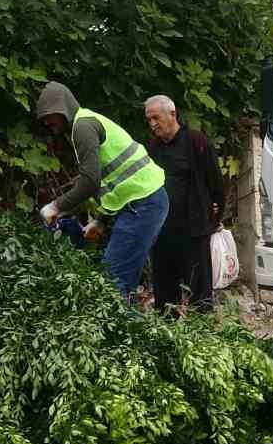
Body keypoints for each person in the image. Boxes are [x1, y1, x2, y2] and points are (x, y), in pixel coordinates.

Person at [35, 81, 168, 301]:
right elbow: (112, 185)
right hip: (140, 203)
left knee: (113, 283)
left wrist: (54, 207)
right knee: (118, 282)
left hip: (144, 204)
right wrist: (100, 221)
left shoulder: (83, 127)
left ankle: (127, 331)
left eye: (51, 115)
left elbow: (90, 182)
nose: (48, 122)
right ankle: (129, 328)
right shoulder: (84, 124)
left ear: (64, 108)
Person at [143, 95, 226, 312]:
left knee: (199, 292)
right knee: (164, 292)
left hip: (194, 229)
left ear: (172, 114)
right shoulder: (153, 148)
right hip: (162, 231)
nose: (152, 124)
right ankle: (168, 336)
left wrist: (216, 214)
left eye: (156, 118)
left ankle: (203, 336)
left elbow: (215, 182)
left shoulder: (196, 141)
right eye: (149, 119)